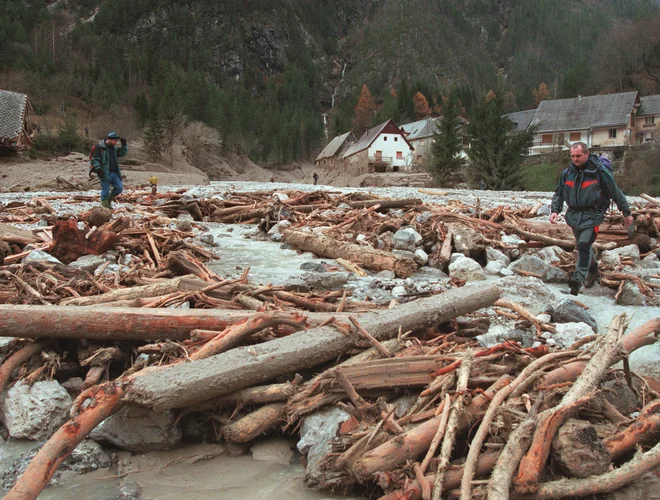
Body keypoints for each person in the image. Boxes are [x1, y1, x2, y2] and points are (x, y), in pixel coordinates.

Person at [550, 142, 632, 295]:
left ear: (587, 154)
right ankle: (594, 270)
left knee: (583, 244)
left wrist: (626, 212)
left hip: (593, 215)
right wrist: (555, 210)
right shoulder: (567, 173)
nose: (575, 159)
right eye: (573, 156)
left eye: (578, 156)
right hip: (574, 215)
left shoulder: (599, 172)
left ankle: (578, 280)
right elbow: (559, 193)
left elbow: (615, 191)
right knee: (584, 246)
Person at [91, 132, 128, 209]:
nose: (116, 143)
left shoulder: (114, 148)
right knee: (105, 190)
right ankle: (104, 207)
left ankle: (108, 201)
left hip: (115, 173)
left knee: (119, 188)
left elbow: (122, 153)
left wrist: (124, 145)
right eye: (115, 141)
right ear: (110, 140)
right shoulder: (99, 148)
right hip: (104, 172)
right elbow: (94, 160)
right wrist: (98, 169)